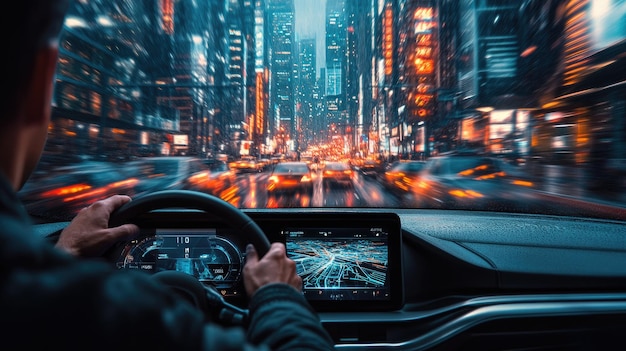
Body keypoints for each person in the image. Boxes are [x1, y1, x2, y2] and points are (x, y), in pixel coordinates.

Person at [0, 1, 334, 350]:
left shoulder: (49, 301)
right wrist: (277, 297)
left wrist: (64, 255)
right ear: (43, 82)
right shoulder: (114, 316)